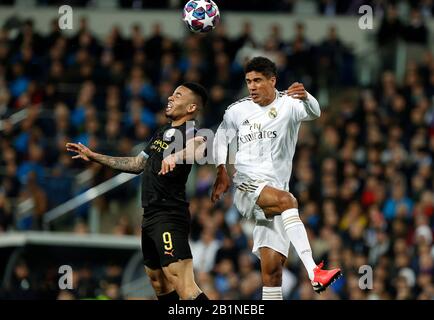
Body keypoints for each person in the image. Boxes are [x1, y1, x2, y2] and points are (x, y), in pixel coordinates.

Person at [211, 56, 342, 299]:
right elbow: (220, 138)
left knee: (273, 272)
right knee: (288, 201)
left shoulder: (288, 105)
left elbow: (315, 112)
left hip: (274, 192)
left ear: (273, 81)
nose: (252, 86)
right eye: (249, 81)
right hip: (247, 186)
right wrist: (221, 170)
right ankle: (314, 272)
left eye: (258, 80)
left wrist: (306, 96)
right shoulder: (237, 110)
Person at [66, 82, 209, 300]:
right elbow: (136, 164)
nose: (170, 98)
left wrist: (176, 156)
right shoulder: (162, 132)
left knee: (183, 284)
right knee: (157, 281)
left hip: (169, 214)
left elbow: (198, 147)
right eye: (171, 94)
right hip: (150, 215)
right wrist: (96, 156)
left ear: (191, 108)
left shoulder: (191, 132)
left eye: (178, 95)